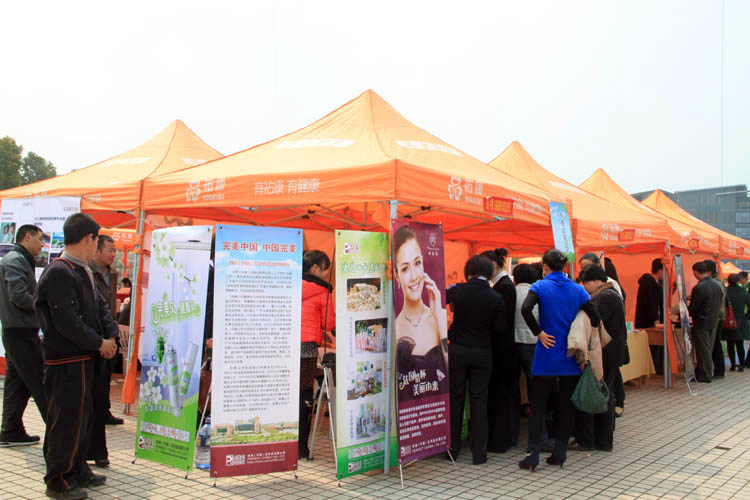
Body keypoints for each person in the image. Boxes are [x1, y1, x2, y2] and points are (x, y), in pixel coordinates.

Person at [35, 213, 119, 499]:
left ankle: (78, 468)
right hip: (66, 361)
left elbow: (101, 307)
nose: (97, 246)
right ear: (88, 239)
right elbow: (67, 322)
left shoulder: (82, 269)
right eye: (97, 240)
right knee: (66, 422)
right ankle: (57, 479)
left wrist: (110, 336)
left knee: (84, 419)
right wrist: (99, 343)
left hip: (85, 358)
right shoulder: (59, 271)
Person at [519, 249, 601, 471]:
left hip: (546, 353)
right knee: (566, 406)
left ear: (545, 267)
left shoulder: (540, 286)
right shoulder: (578, 289)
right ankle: (560, 453)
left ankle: (533, 454)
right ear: (564, 266)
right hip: (569, 354)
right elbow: (595, 317)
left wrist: (539, 332)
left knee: (538, 406)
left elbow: (526, 309)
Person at [446, 255, 503, 465]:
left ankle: (452, 449)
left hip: (458, 350)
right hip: (482, 352)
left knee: (456, 398)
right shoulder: (496, 297)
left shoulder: (457, 291)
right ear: (489, 273)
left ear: (468, 271)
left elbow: (437, 300)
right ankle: (479, 453)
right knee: (479, 401)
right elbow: (500, 329)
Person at [0, 224, 47, 447]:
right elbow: (18, 296)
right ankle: (61, 436)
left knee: (17, 384)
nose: (42, 245)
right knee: (41, 383)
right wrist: (44, 306)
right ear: (27, 237)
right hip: (20, 332)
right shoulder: (15, 260)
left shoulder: (18, 260)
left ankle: (11, 430)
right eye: (40, 239)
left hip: (18, 330)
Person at [574, 265, 626, 452]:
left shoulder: (605, 297)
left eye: (585, 283)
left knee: (601, 395)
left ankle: (601, 440)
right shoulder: (610, 294)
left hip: (605, 355)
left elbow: (590, 320)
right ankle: (602, 439)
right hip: (610, 353)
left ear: (596, 281)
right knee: (605, 394)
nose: (584, 287)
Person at [393, 225, 448, 402]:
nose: (414, 276)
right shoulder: (395, 327)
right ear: (396, 276)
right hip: (411, 413)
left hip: (437, 410)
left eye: (417, 263)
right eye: (405, 268)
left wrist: (439, 318)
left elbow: (449, 374)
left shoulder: (438, 316)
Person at [88, 235, 123, 468]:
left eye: (114, 250)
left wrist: (111, 335)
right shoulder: (84, 271)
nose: (113, 254)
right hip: (90, 340)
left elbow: (106, 307)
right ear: (96, 249)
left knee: (102, 388)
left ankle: (105, 414)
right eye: (110, 250)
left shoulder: (112, 273)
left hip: (107, 334)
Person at [299, 250, 335, 459]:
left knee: (286, 392)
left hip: (284, 346)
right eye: (325, 270)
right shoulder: (323, 291)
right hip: (307, 348)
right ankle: (301, 448)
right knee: (305, 392)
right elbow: (328, 324)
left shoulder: (289, 284)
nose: (326, 274)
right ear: (314, 268)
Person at [481, 248, 516, 452]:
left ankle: (500, 440)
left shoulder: (504, 287)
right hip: (502, 348)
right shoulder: (502, 285)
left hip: (502, 350)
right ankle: (503, 438)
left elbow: (502, 323)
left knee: (500, 395)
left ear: (493, 265)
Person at [510, 263, 540, 448]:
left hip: (513, 344)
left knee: (513, 391)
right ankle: (538, 436)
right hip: (533, 345)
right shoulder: (536, 294)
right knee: (536, 391)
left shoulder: (511, 293)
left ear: (515, 278)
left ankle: (512, 435)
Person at [688, 261, 723, 383]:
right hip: (714, 321)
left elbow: (694, 307)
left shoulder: (699, 287)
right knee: (708, 348)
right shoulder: (717, 286)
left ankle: (705, 375)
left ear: (696, 272)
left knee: (703, 350)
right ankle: (703, 373)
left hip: (701, 321)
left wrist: (684, 310)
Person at [704, 260, 727, 380]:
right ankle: (719, 370)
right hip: (717, 316)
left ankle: (719, 370)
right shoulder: (719, 283)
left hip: (716, 317)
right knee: (715, 343)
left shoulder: (716, 284)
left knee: (715, 344)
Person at [724, 274, 750, 372]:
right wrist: (746, 316)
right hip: (740, 320)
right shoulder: (743, 292)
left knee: (730, 343)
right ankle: (742, 364)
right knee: (740, 344)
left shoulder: (725, 291)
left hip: (727, 321)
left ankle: (733, 364)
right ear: (738, 281)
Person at [635, 258, 664, 329]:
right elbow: (652, 303)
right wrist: (656, 320)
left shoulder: (651, 282)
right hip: (648, 325)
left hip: (646, 324)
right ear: (660, 271)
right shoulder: (650, 283)